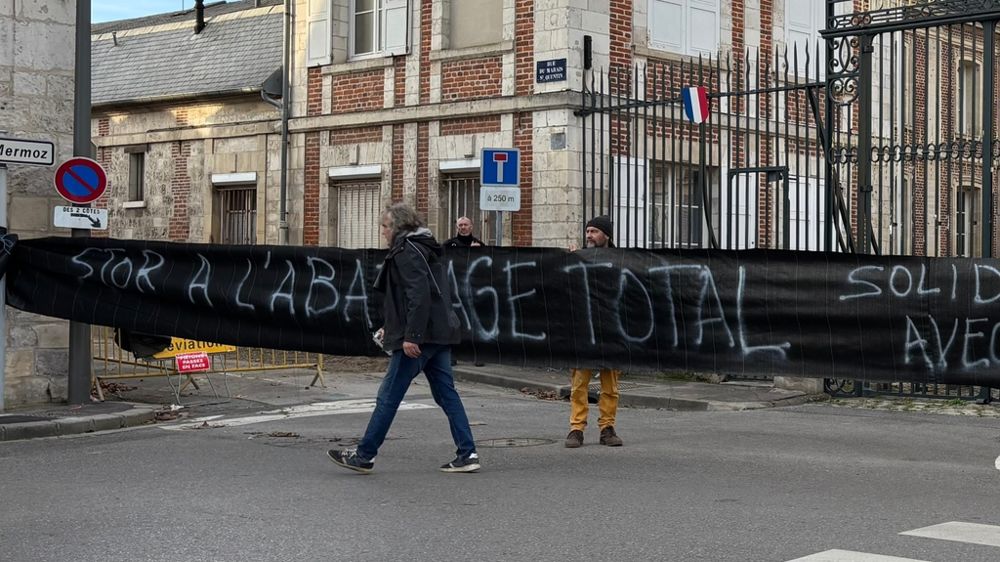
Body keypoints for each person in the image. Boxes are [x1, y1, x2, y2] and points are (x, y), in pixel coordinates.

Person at [328, 203, 481, 474]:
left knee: (388, 396)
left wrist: (412, 336)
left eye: (385, 226)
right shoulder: (425, 246)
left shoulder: (406, 251)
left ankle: (364, 455)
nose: (382, 232)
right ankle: (467, 453)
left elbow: (418, 295)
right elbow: (416, 296)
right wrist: (392, 325)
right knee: (447, 395)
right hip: (439, 333)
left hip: (420, 338)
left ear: (397, 227)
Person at [565, 215, 624, 449]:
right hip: (584, 328)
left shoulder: (621, 260)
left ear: (606, 235)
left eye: (594, 232)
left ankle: (607, 428)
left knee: (610, 383)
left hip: (611, 328)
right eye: (587, 231)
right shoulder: (579, 257)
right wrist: (568, 261)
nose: (589, 235)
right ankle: (576, 428)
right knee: (580, 381)